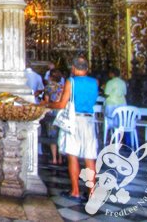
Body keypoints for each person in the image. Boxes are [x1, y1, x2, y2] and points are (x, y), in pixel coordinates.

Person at [47, 57, 98, 202]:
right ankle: (92, 193)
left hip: (74, 121)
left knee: (73, 155)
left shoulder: (71, 81)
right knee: (89, 157)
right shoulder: (95, 82)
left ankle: (75, 191)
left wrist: (49, 104)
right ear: (86, 69)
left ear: (74, 69)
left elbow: (62, 104)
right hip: (89, 120)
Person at [43, 69, 65, 165]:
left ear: (51, 77)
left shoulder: (48, 87)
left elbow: (47, 101)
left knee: (52, 136)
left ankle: (54, 158)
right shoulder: (62, 87)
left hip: (51, 112)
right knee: (60, 135)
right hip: (61, 113)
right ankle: (60, 158)